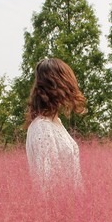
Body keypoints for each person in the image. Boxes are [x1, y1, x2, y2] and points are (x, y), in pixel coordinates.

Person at [25, 58, 86, 193]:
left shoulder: (56, 122)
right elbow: (48, 183)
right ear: (57, 86)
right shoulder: (43, 127)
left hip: (74, 207)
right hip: (62, 209)